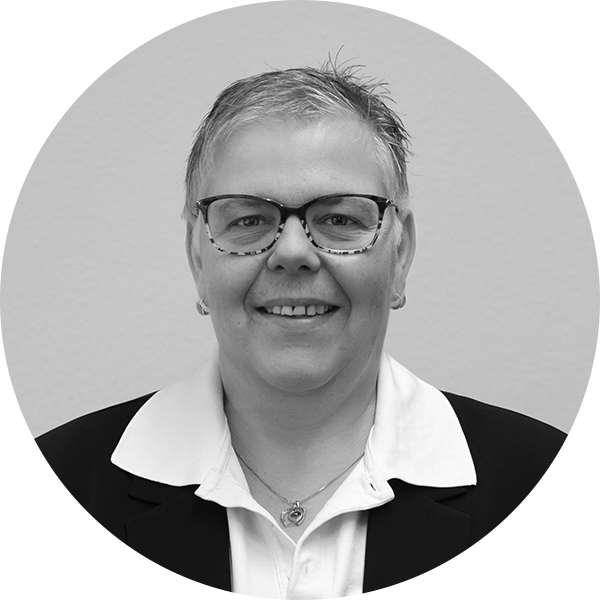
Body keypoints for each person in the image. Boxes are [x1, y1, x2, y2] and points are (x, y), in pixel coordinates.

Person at [37, 62, 566, 598]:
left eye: (340, 219)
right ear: (197, 256)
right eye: (247, 220)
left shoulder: (553, 486)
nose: (292, 252)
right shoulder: (47, 491)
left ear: (400, 254)